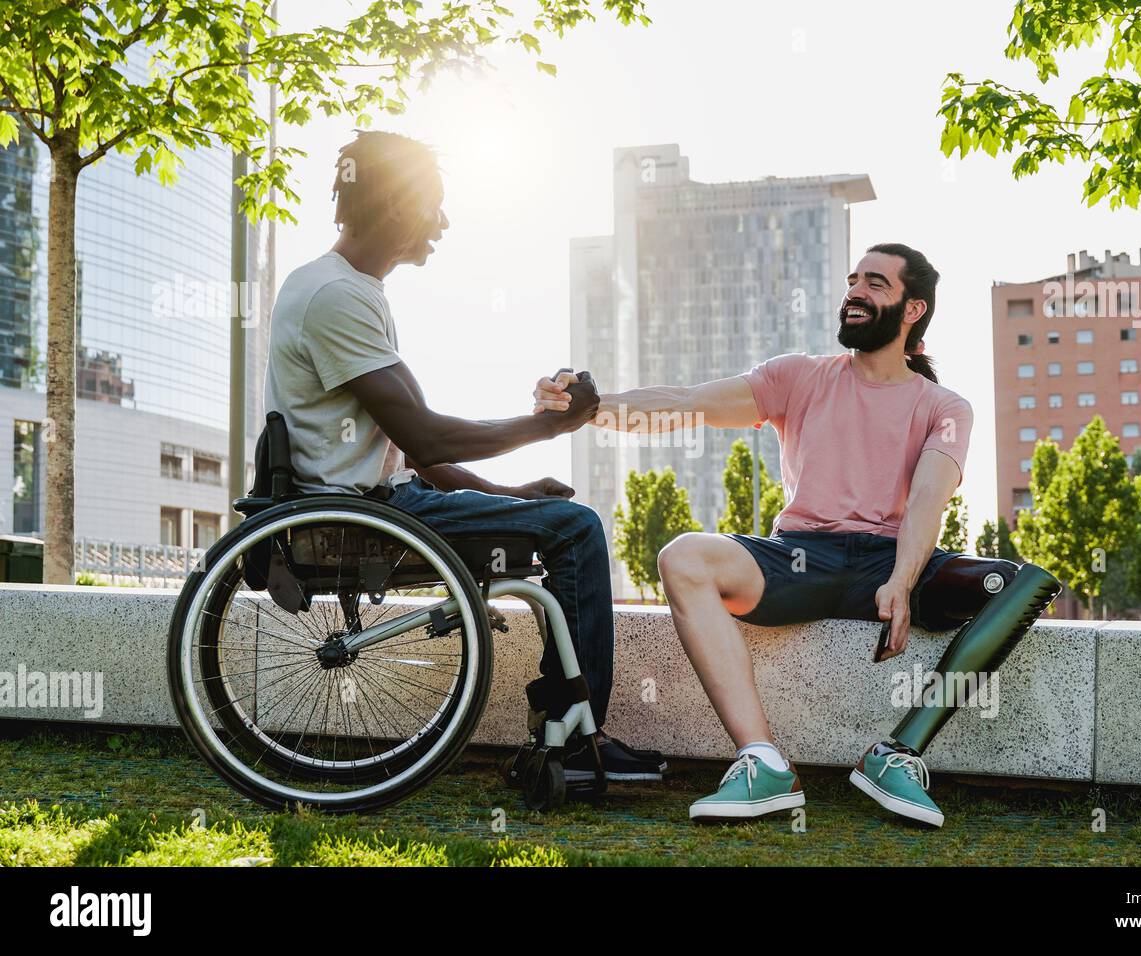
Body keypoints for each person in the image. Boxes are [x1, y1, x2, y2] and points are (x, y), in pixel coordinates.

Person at [534, 242, 1061, 824]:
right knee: (684, 556)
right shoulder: (800, 376)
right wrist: (588, 407)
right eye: (853, 279)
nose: (855, 291)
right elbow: (688, 404)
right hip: (801, 560)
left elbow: (927, 500)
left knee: (1015, 583)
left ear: (913, 310)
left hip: (894, 561)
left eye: (876, 283)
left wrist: (902, 581)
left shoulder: (945, 406)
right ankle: (763, 763)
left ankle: (896, 755)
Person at [264, 130, 664, 782]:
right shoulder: (336, 297)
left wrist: (511, 497)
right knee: (580, 530)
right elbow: (427, 440)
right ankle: (571, 739)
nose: (443, 224)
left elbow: (414, 453)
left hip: (372, 502)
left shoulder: (342, 288)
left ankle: (564, 727)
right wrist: (546, 427)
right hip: (360, 516)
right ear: (396, 206)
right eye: (435, 206)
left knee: (554, 520)